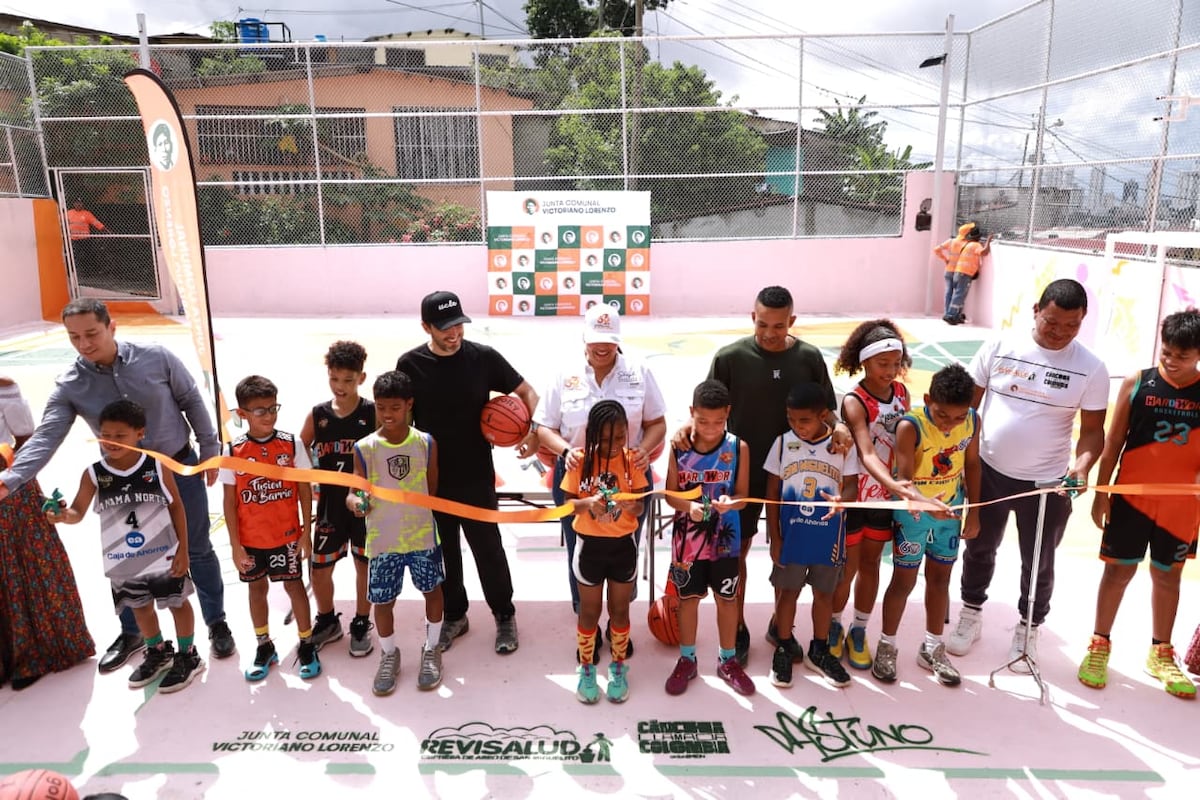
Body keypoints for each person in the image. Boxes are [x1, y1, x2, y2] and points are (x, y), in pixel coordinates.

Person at [0, 299, 234, 674]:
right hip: (121, 484)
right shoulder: (71, 385)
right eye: (74, 337)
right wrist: (9, 480)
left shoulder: (157, 357)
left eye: (91, 333)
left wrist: (209, 447)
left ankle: (216, 622)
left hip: (177, 466)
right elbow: (45, 437)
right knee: (128, 561)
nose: (84, 344)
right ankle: (133, 634)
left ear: (111, 327)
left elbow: (191, 399)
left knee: (199, 548)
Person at [680, 285, 851, 667]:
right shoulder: (730, 357)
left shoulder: (807, 357)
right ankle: (737, 627)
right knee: (735, 553)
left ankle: (781, 628)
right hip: (738, 473)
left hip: (792, 478)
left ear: (792, 321)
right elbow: (709, 408)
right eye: (762, 325)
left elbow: (827, 409)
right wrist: (684, 429)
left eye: (778, 325)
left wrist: (838, 427)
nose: (770, 333)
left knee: (787, 553)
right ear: (751, 318)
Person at [948, 279, 1109, 670]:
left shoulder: (1091, 368)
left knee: (1038, 561)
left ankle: (1028, 628)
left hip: (1048, 483)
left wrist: (1081, 467)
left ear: (1082, 321)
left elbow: (1092, 432)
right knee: (979, 547)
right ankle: (971, 613)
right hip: (987, 471)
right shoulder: (1000, 346)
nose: (1059, 333)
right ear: (1036, 309)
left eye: (1071, 326)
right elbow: (967, 408)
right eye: (1052, 322)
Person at [395, 290, 539, 655]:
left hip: (476, 474)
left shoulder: (483, 358)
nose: (453, 333)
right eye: (444, 327)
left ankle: (504, 615)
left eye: (458, 324)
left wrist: (530, 431)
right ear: (426, 326)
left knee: (488, 549)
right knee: (445, 552)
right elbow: (398, 416)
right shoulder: (410, 365)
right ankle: (456, 616)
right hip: (433, 477)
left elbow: (527, 392)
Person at [1079, 309, 1200, 699]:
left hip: (1181, 508)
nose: (1170, 360)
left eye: (1181, 356)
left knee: (1168, 577)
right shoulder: (1138, 382)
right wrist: (1102, 492)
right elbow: (1113, 442)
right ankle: (1099, 645)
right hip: (1131, 498)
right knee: (1117, 573)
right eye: (1166, 352)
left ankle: (1160, 653)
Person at [45, 400, 204, 693]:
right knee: (140, 609)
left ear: (139, 433)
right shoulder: (94, 474)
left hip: (163, 556)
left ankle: (188, 655)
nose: (112, 442)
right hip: (123, 560)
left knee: (177, 604)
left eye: (121, 435)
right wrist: (61, 515)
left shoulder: (156, 465)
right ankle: (158, 651)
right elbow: (77, 512)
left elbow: (177, 508)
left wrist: (182, 549)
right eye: (106, 435)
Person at [535, 303, 667, 642]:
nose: (603, 347)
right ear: (585, 338)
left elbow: (657, 423)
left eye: (609, 340)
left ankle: (618, 621)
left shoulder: (639, 370)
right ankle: (587, 619)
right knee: (580, 544)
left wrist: (642, 449)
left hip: (629, 473)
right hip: (578, 474)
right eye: (596, 340)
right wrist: (566, 451)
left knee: (627, 541)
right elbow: (544, 427)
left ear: (618, 339)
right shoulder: (564, 372)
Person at [872, 365, 981, 687]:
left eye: (958, 417)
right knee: (903, 581)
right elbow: (902, 481)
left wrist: (972, 511)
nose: (950, 424)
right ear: (927, 399)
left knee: (940, 580)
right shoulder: (911, 426)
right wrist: (927, 505)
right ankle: (886, 645)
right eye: (942, 415)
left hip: (951, 511)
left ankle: (933, 647)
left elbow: (972, 464)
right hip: (914, 515)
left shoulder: (973, 420)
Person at [830, 320, 922, 671]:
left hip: (887, 496)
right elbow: (867, 453)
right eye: (882, 363)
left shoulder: (901, 394)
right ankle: (835, 624)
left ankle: (859, 629)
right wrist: (896, 483)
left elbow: (905, 446)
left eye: (896, 362)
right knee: (848, 567)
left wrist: (904, 481)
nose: (890, 370)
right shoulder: (855, 401)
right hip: (859, 495)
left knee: (871, 565)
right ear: (865, 362)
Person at [348, 371, 444, 695]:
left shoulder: (426, 443)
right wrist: (356, 502)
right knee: (382, 601)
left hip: (422, 537)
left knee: (432, 590)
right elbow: (355, 490)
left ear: (409, 405)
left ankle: (431, 649)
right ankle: (389, 655)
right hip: (383, 540)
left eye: (395, 408)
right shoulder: (364, 448)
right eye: (381, 407)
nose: (387, 414)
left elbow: (431, 487)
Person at [219, 375, 318, 682]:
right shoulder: (232, 451)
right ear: (242, 414)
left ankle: (306, 643)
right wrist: (235, 545)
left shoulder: (292, 443)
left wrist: (305, 534)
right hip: (251, 540)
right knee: (256, 589)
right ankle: (264, 645)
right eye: (259, 410)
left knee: (294, 586)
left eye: (272, 407)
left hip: (286, 536)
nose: (269, 415)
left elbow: (303, 491)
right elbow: (228, 500)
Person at [0, 378, 93, 690]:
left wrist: (6, 468)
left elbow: (28, 440)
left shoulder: (4, 388)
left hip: (10, 492)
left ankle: (32, 656)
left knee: (25, 569)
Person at [764, 382, 858, 690]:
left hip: (828, 535)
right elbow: (772, 492)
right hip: (792, 535)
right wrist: (775, 537)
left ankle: (819, 650)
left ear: (823, 416)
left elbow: (851, 486)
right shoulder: (782, 443)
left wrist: (842, 500)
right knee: (787, 593)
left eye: (803, 420)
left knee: (824, 595)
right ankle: (784, 644)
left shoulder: (842, 445)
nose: (796, 426)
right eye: (791, 419)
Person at [661, 379, 750, 696]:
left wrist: (732, 504)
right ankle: (687, 659)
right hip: (687, 540)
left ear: (728, 413)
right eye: (702, 421)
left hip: (726, 540)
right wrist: (689, 506)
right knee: (687, 600)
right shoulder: (677, 447)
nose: (711, 429)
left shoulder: (738, 447)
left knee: (727, 599)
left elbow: (742, 496)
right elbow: (670, 496)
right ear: (691, 413)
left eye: (718, 421)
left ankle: (728, 660)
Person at [561, 400, 648, 704]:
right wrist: (588, 504)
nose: (613, 445)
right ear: (592, 433)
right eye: (607, 439)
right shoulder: (579, 461)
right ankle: (586, 668)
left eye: (621, 437)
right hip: (589, 549)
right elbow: (568, 503)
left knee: (620, 611)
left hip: (623, 546)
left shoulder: (632, 461)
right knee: (589, 612)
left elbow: (640, 504)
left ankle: (618, 666)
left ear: (628, 432)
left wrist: (631, 505)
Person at [300, 341, 375, 658]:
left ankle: (361, 622)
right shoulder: (318, 416)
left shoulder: (372, 413)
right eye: (334, 379)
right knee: (319, 570)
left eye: (348, 379)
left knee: (364, 566)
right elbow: (296, 452)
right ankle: (328, 620)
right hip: (329, 506)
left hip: (363, 507)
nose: (340, 386)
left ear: (362, 377)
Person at [934, 222, 990, 325]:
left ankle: (949, 313)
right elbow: (982, 252)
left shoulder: (951, 241)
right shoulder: (969, 244)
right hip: (962, 271)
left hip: (950, 270)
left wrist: (945, 259)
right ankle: (953, 315)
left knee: (950, 293)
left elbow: (936, 249)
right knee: (960, 294)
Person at [66, 199, 106, 283]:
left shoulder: (87, 214)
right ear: (74, 204)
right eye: (76, 203)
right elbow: (61, 221)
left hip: (85, 239)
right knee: (74, 256)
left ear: (82, 204)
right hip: (73, 239)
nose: (78, 205)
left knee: (88, 255)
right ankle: (74, 272)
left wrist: (103, 228)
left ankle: (90, 272)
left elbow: (95, 222)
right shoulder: (69, 213)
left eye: (80, 203)